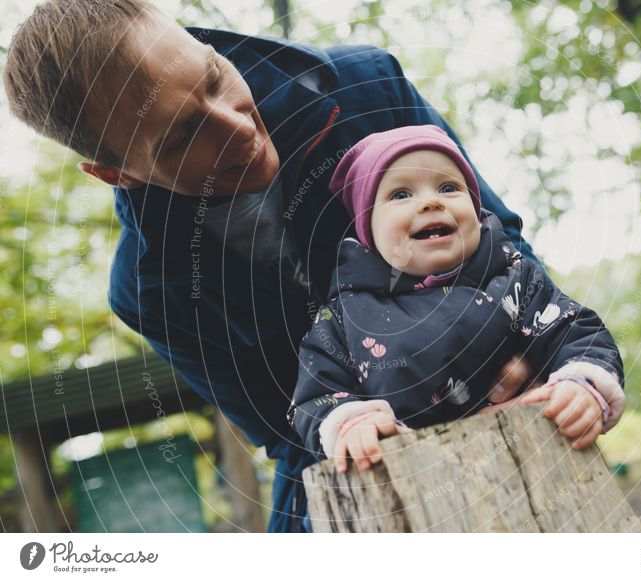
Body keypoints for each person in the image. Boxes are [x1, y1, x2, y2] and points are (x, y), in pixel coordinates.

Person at [4, 0, 551, 532]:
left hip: (505, 396)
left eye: (216, 77)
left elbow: (503, 251)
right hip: (346, 465)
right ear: (117, 174)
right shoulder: (149, 294)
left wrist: (522, 358)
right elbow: (283, 431)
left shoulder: (365, 88)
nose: (237, 126)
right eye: (181, 136)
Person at [289, 125, 625, 473]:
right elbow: (317, 393)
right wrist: (351, 424)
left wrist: (581, 385)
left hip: (533, 457)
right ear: (368, 230)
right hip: (416, 479)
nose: (432, 202)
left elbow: (575, 332)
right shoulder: (346, 316)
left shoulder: (515, 279)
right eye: (401, 194)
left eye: (449, 188)